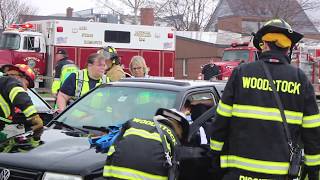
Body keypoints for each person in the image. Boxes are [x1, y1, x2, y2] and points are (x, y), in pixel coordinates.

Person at [210, 19, 320, 179]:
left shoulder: (241, 73)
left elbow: (221, 121)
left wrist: (215, 155)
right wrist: (313, 169)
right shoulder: (300, 79)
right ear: (288, 48)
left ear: (264, 45)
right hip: (280, 174)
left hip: (239, 173)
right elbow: (312, 132)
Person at [103, 108, 189, 180]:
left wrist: (107, 176)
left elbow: (113, 149)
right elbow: (174, 171)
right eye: (181, 133)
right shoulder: (172, 138)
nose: (180, 136)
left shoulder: (133, 122)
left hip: (116, 175)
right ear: (179, 126)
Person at [0, 64, 43, 141]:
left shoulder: (3, 85)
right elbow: (18, 93)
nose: (26, 90)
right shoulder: (11, 81)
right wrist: (34, 117)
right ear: (20, 77)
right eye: (27, 85)